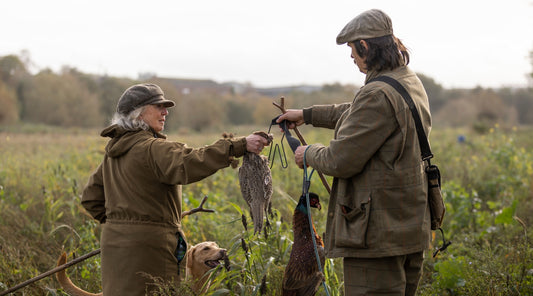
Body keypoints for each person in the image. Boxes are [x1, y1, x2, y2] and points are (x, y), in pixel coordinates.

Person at [277, 9, 432, 296]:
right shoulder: (406, 80)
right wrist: (308, 115)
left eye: (352, 48)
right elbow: (357, 113)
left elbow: (340, 160)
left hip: (376, 236)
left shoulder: (377, 93)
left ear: (365, 46)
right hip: (408, 225)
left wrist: (308, 153)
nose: (351, 56)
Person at [81, 83, 270, 295]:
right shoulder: (152, 148)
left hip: (115, 247)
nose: (165, 112)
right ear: (138, 114)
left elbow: (90, 198)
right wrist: (239, 146)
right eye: (157, 106)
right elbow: (190, 161)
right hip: (152, 250)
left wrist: (123, 226)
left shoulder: (113, 155)